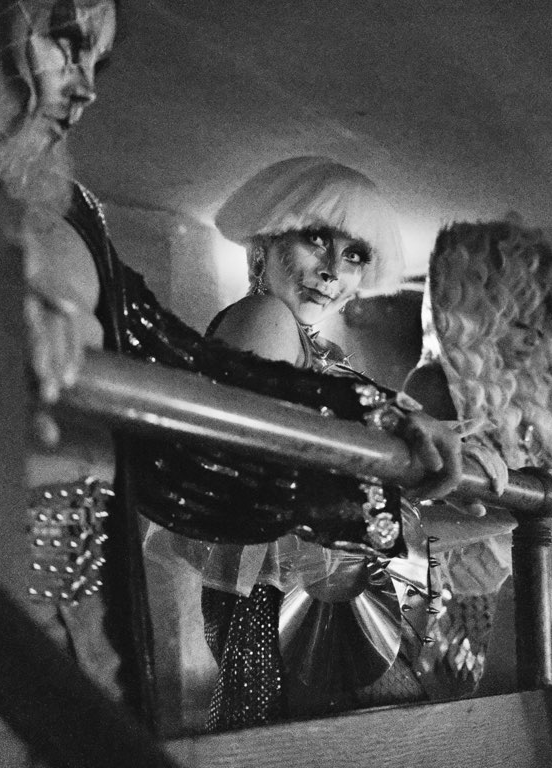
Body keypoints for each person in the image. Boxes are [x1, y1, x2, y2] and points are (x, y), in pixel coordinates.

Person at [0, 0, 465, 737]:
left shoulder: (76, 214)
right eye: (62, 38)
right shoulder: (256, 314)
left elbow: (186, 373)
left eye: (97, 55)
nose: (86, 85)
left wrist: (376, 412)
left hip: (80, 632)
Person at [198, 156, 471, 730]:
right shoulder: (261, 315)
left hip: (338, 608)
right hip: (281, 609)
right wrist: (392, 415)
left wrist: (512, 479)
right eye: (316, 239)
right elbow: (270, 433)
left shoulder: (327, 357)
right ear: (265, 244)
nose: (331, 271)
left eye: (353, 256)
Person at [404, 217, 552, 697]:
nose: (532, 338)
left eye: (540, 323)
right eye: (517, 319)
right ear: (473, 314)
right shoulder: (432, 386)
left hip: (534, 602)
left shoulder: (522, 406)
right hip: (464, 618)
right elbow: (412, 515)